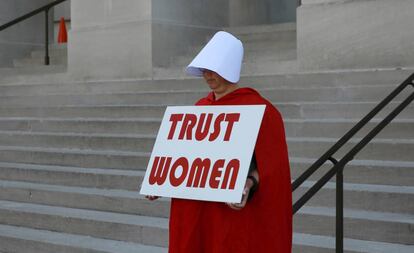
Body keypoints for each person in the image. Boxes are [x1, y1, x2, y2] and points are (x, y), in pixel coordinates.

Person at [147, 31, 292, 252]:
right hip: (197, 211)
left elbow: (272, 166)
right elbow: (185, 158)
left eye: (213, 69)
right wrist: (161, 182)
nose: (207, 75)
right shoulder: (200, 107)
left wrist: (248, 184)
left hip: (233, 215)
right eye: (204, 69)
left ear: (229, 68)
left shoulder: (263, 111)